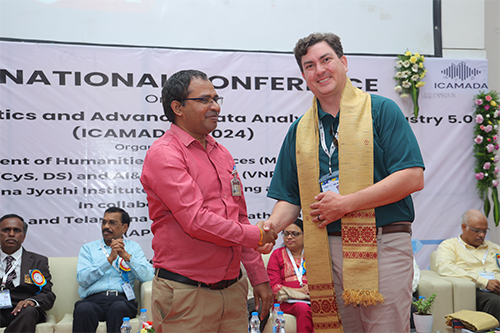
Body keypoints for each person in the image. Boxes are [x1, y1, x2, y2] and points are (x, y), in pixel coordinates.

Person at [260, 32, 425, 332]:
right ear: (304, 76)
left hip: (382, 245)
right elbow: (290, 199)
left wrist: (345, 204)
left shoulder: (380, 110)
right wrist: (269, 228)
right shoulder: (299, 131)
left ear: (344, 62)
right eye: (310, 66)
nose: (319, 70)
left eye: (326, 60)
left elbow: (412, 177)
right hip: (325, 252)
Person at [140, 69, 277, 332]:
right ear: (177, 107)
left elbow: (239, 218)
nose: (215, 107)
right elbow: (196, 221)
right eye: (204, 100)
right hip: (186, 294)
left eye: (216, 99)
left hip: (234, 291)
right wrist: (256, 235)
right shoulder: (165, 155)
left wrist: (259, 277)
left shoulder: (221, 152)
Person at [72, 207, 154, 333]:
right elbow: (82, 279)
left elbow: (149, 276)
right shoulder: (88, 249)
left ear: (124, 227)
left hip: (122, 300)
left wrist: (126, 256)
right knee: (82, 309)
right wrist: (108, 260)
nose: (106, 226)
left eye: (112, 223)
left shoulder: (134, 248)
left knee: (118, 308)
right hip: (93, 300)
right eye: (104, 222)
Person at [435, 209, 500, 321]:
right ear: (464, 227)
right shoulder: (450, 246)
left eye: (485, 231)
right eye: (477, 230)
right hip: (475, 289)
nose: (482, 235)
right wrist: (484, 282)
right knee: (495, 302)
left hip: (497, 288)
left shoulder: (494, 248)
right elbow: (446, 267)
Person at [0, 214, 56, 333]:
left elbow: (48, 294)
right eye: (6, 230)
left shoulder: (38, 261)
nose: (11, 234)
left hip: (24, 311)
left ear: (24, 236)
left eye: (16, 230)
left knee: (29, 311)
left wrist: (32, 302)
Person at [267, 218, 313, 333]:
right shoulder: (277, 255)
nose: (289, 237)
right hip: (286, 301)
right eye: (286, 234)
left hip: (312, 298)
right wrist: (299, 292)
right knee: (303, 309)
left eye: (295, 234)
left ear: (305, 235)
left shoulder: (313, 255)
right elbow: (274, 286)